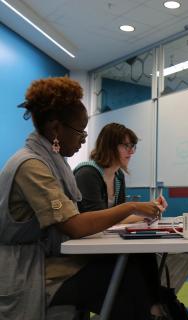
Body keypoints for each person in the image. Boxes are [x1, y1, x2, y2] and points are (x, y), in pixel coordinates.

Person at [0, 77, 165, 320]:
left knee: (133, 268)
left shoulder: (53, 163)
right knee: (127, 284)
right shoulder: (31, 166)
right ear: (56, 128)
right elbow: (74, 225)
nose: (84, 138)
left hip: (48, 257)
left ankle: (157, 308)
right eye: (80, 131)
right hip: (27, 268)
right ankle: (156, 310)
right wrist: (131, 207)